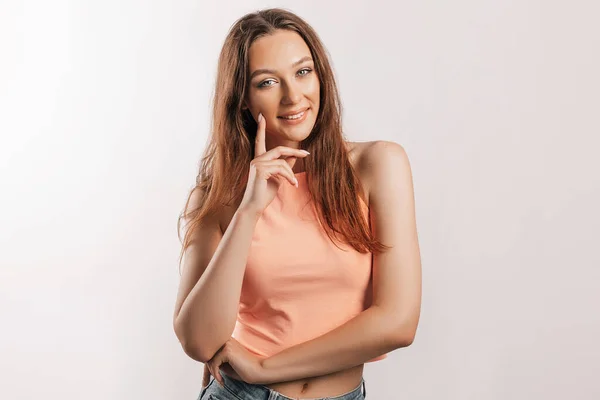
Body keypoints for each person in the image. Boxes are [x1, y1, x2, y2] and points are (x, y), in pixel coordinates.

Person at [173, 7, 422, 400]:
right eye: (268, 82)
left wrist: (264, 367)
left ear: (321, 76)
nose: (293, 96)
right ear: (241, 98)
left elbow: (398, 323)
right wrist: (249, 209)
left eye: (303, 72)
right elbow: (198, 342)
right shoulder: (217, 194)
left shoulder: (378, 165)